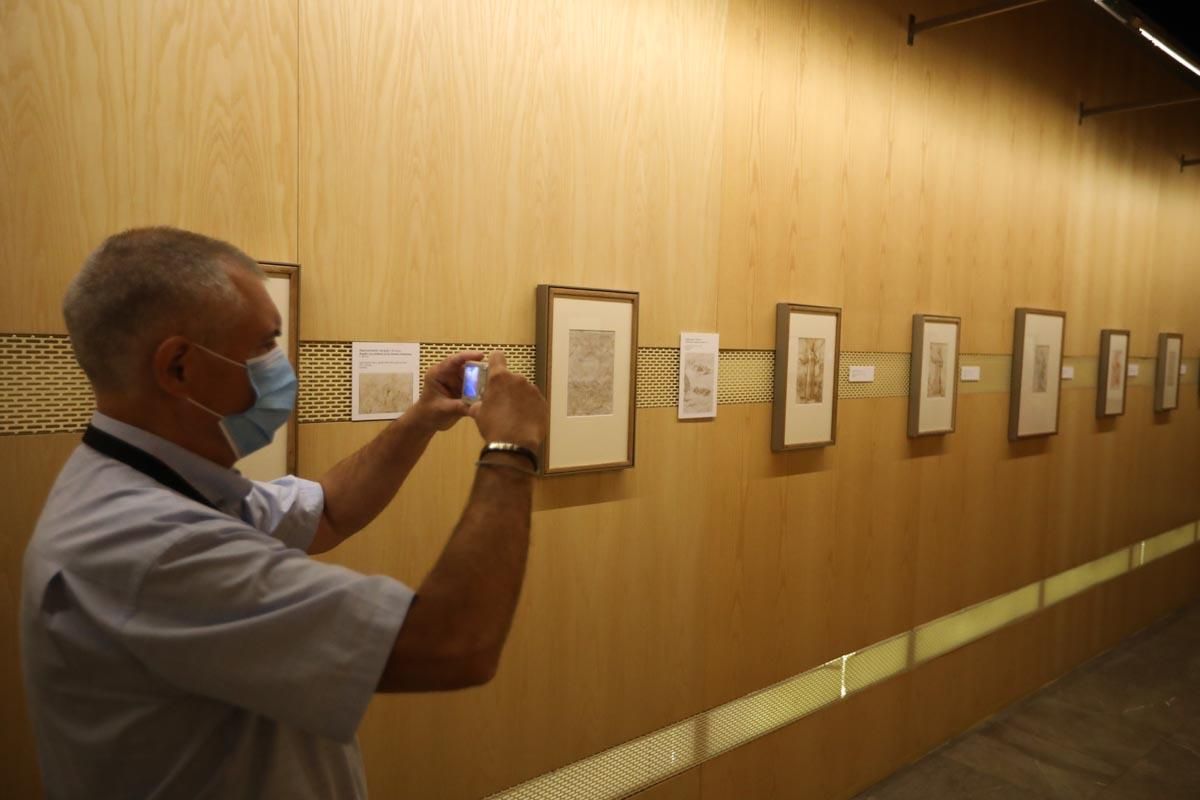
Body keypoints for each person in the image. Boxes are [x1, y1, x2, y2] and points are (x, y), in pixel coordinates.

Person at [19, 227, 548, 799]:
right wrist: (511, 453)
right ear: (179, 368)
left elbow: (326, 514)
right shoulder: (149, 546)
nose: (280, 365)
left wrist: (420, 418)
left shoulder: (152, 484)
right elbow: (453, 646)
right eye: (265, 345)